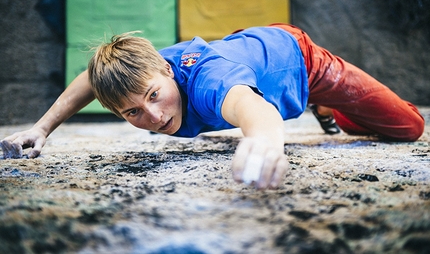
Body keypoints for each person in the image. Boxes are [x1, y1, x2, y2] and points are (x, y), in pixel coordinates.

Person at [0, 23, 425, 190]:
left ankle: (327, 106)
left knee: (409, 127)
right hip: (246, 47)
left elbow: (253, 110)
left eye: (152, 97)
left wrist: (265, 140)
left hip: (301, 59)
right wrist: (42, 128)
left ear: (168, 70)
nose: (154, 118)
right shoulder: (144, 73)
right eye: (132, 113)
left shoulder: (210, 82)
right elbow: (91, 79)